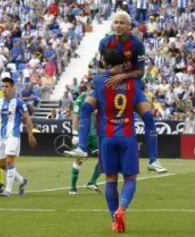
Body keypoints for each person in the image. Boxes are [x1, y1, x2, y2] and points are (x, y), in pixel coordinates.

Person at [69, 11, 167, 173]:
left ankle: (153, 161)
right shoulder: (105, 43)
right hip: (109, 83)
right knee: (85, 107)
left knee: (149, 117)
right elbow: (98, 68)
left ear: (129, 27)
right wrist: (110, 72)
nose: (117, 25)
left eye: (121, 23)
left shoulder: (137, 45)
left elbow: (140, 72)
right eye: (115, 22)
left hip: (130, 85)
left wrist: (122, 75)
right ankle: (82, 148)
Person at [79, 48, 147, 232]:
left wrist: (107, 72)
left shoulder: (100, 81)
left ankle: (113, 220)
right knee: (130, 178)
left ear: (106, 63)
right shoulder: (135, 83)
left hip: (107, 136)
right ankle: (122, 208)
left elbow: (88, 106)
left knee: (110, 179)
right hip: (127, 135)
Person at [0, 77, 37, 197]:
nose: (4, 89)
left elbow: (27, 118)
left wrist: (30, 135)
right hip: (1, 136)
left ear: (12, 88)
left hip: (13, 135)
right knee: (1, 164)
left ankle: (8, 190)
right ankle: (21, 181)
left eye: (7, 86)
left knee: (9, 160)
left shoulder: (19, 103)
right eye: (3, 86)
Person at [65, 82, 102, 195]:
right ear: (88, 88)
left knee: (104, 156)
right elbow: (75, 116)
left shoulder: (96, 98)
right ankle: (72, 187)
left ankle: (92, 182)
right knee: (79, 160)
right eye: (92, 88)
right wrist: (75, 133)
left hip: (94, 134)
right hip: (83, 134)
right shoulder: (80, 99)